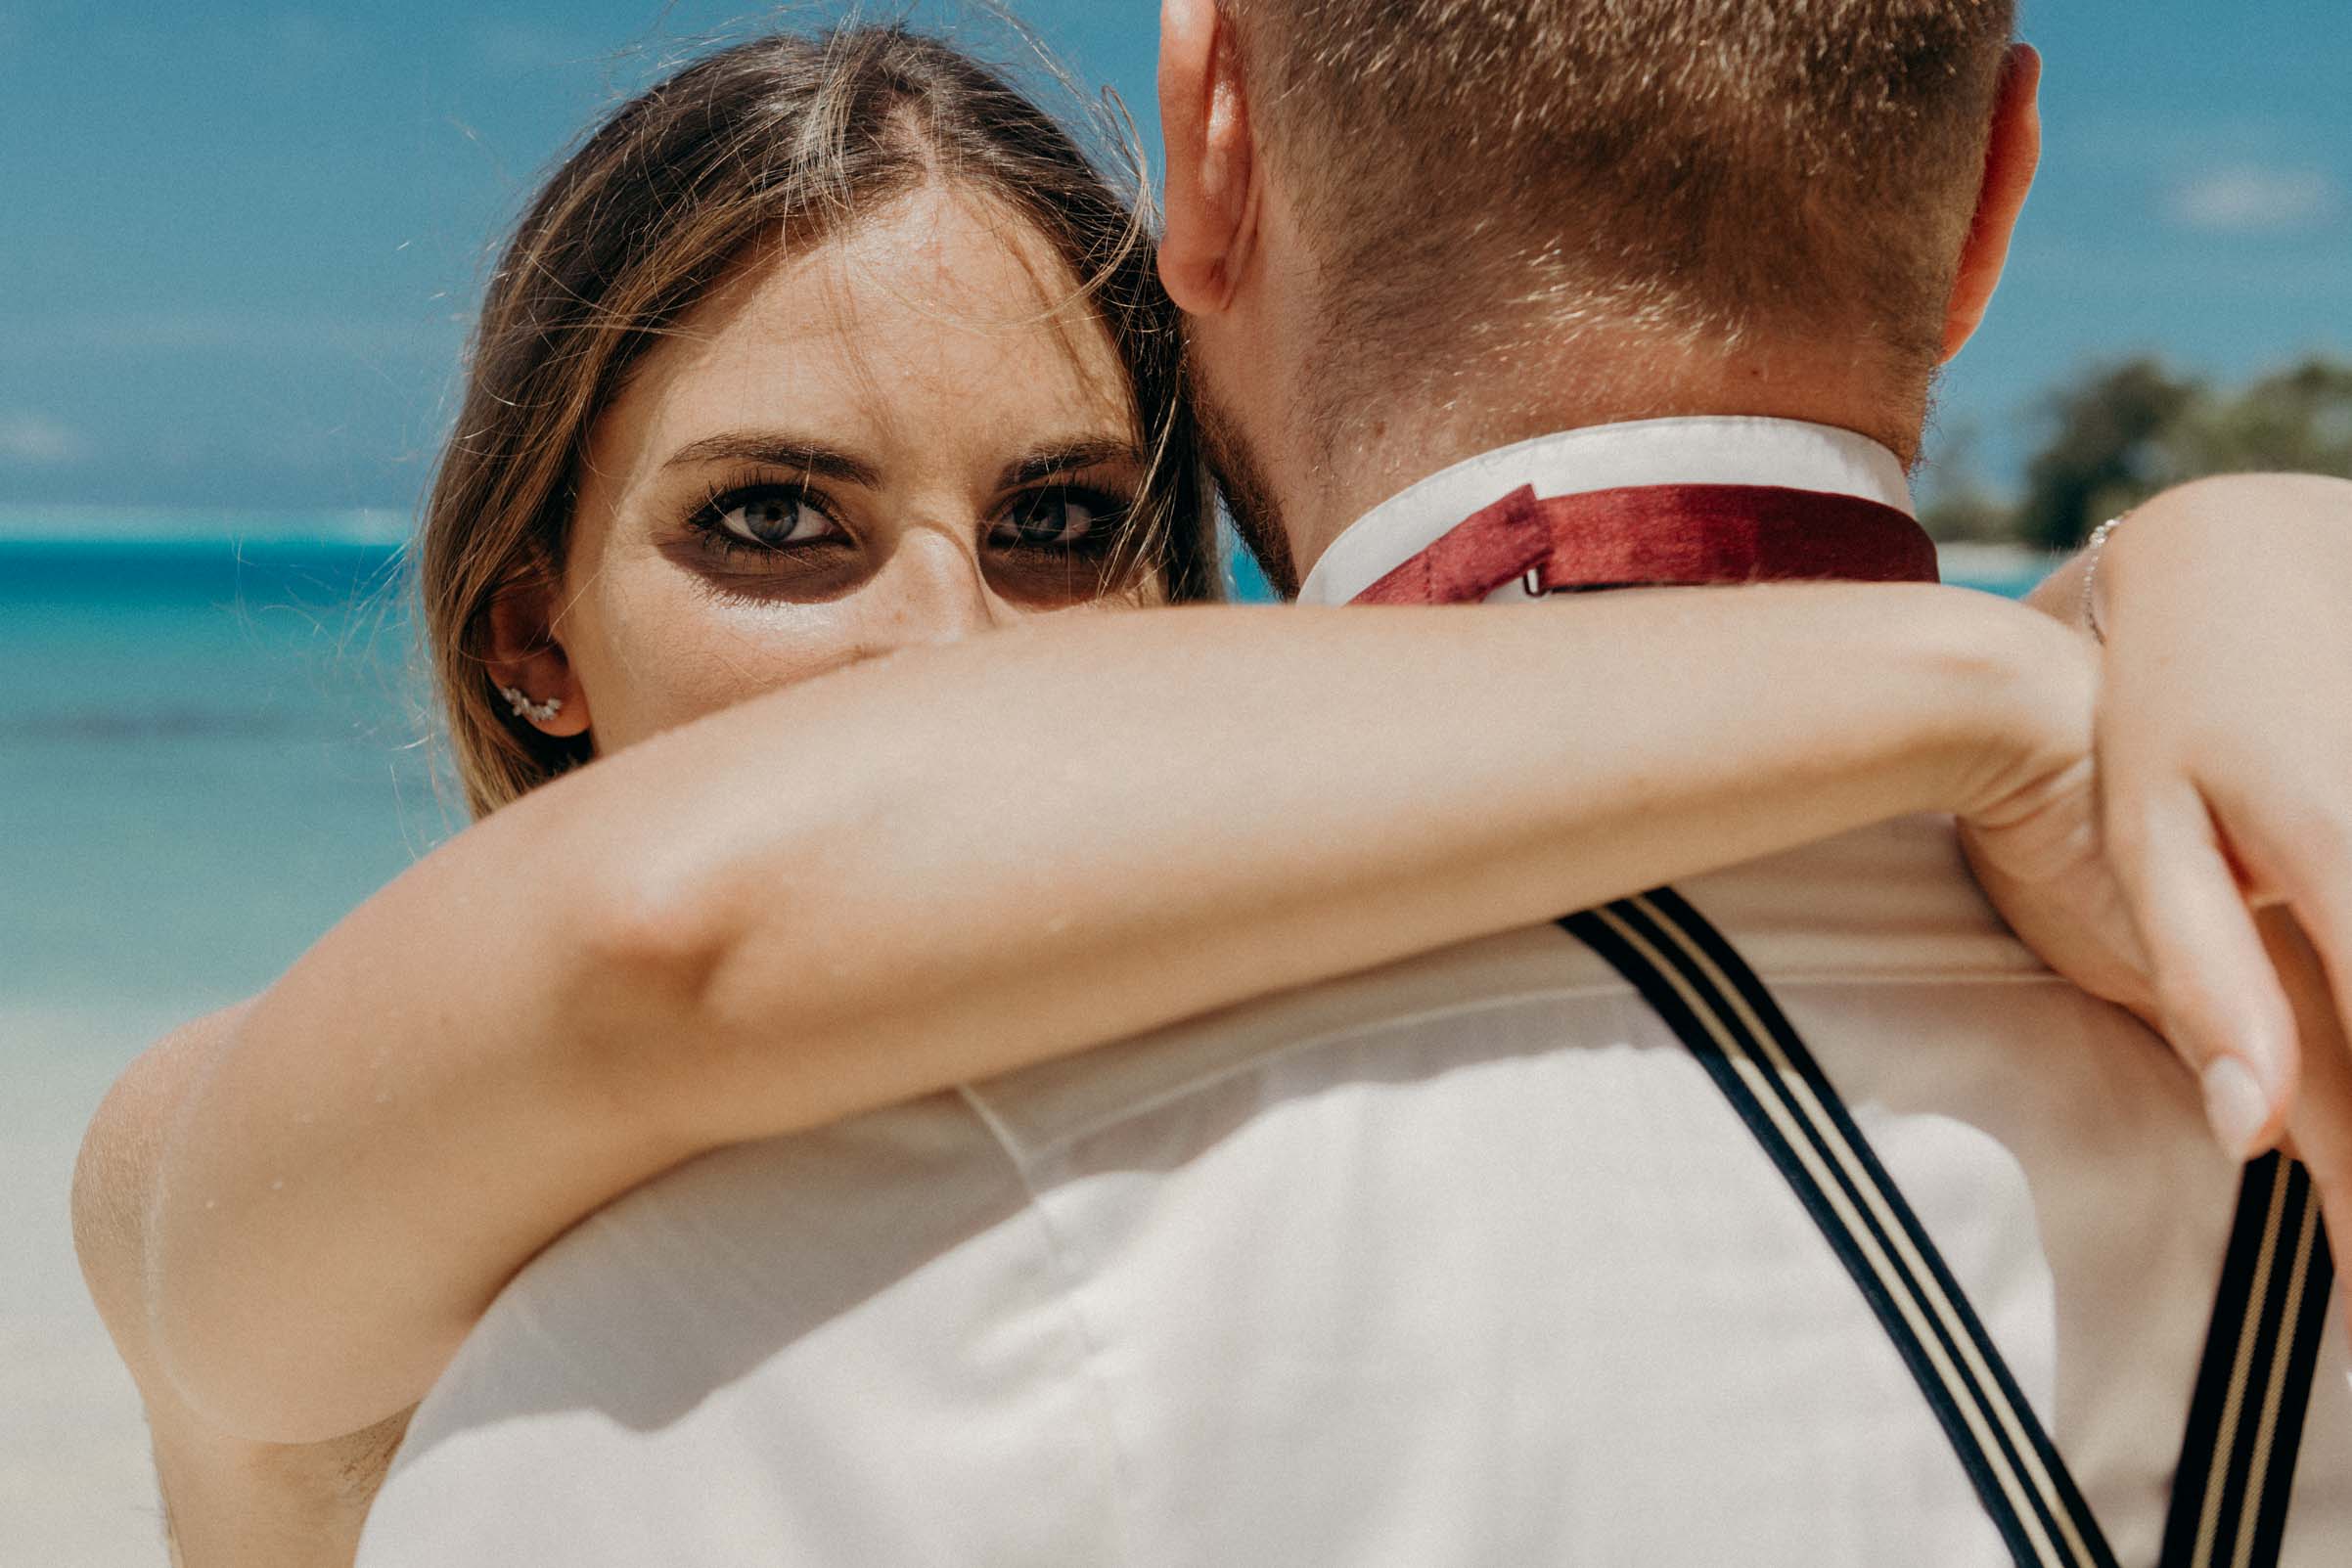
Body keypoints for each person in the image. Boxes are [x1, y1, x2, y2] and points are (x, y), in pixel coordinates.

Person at [73, 19, 2350, 1568]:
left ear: (1217, 138)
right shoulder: (296, 1134)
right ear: (526, 631)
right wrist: (2017, 649)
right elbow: (653, 941)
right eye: (773, 521)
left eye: (1064, 522)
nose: (943, 654)